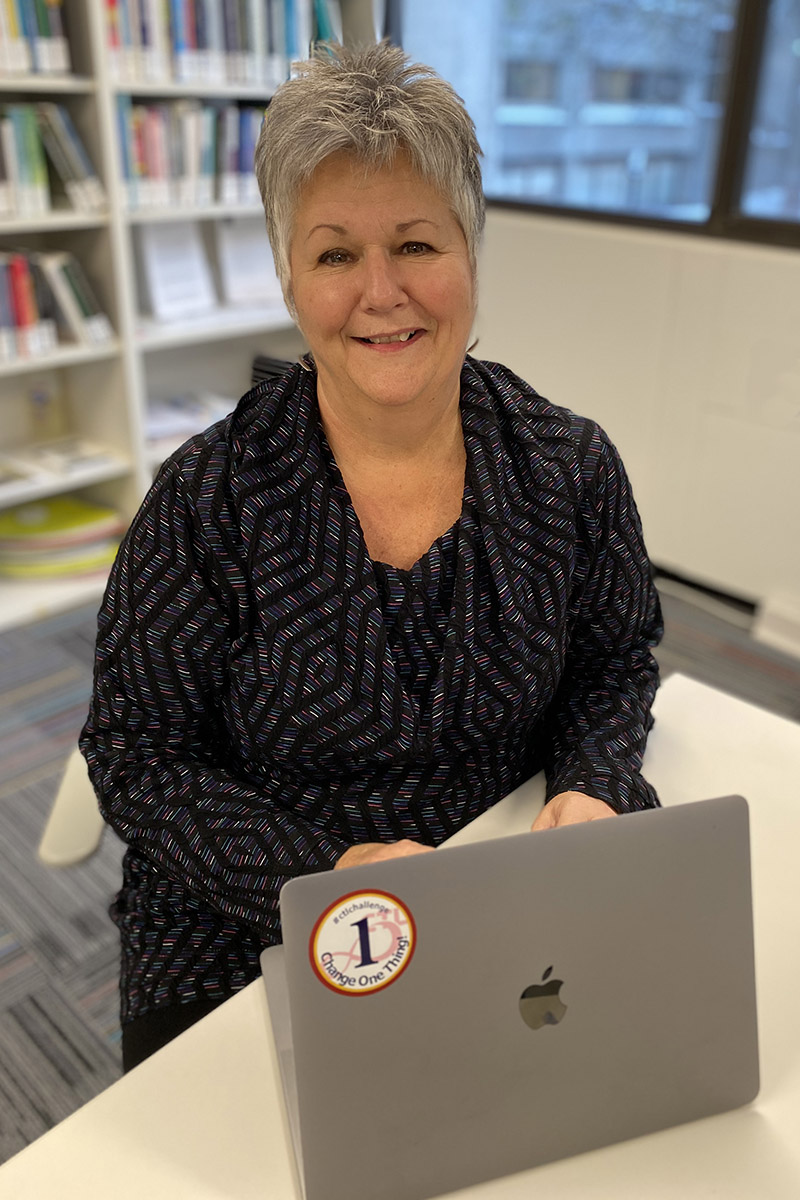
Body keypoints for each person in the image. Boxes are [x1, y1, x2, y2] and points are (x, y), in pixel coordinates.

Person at [80, 41, 662, 1071]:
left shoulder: (568, 466)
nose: (382, 291)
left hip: (496, 880)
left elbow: (613, 659)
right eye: (336, 255)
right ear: (289, 278)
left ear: (471, 254)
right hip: (247, 913)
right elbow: (137, 752)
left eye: (416, 244)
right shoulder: (208, 498)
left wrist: (595, 781)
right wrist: (324, 870)